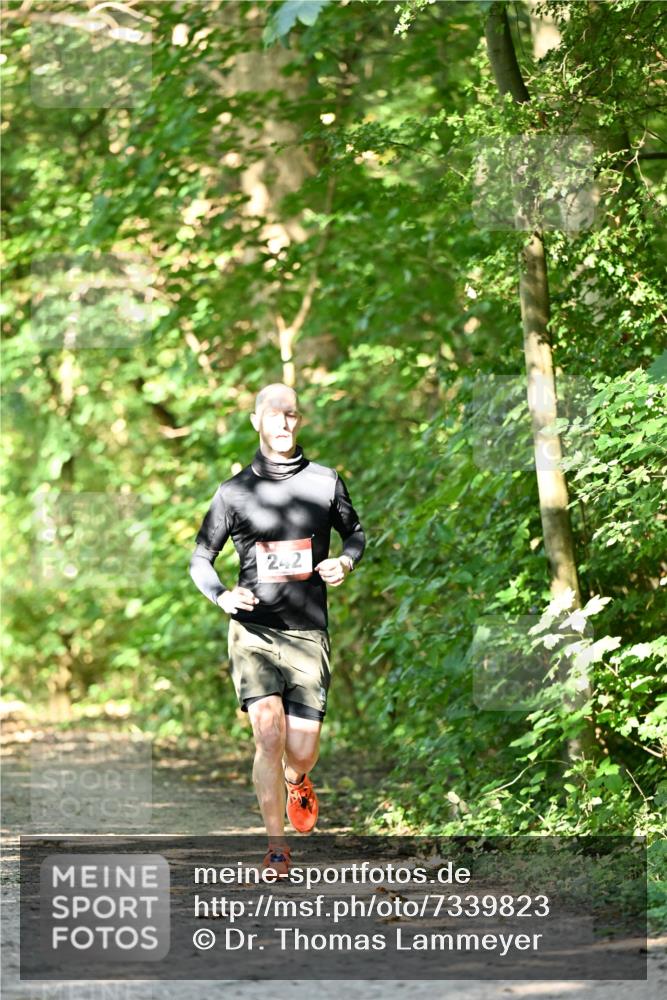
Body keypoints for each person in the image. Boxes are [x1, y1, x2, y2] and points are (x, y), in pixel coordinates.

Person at [189, 383, 365, 876]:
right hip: (255, 632)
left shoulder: (326, 482)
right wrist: (222, 595)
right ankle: (276, 846)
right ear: (256, 421)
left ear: (299, 421)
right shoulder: (234, 492)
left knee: (301, 751)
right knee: (268, 732)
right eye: (274, 414)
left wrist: (346, 562)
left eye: (291, 415)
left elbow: (355, 534)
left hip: (308, 632)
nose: (283, 423)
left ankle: (297, 780)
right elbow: (201, 558)